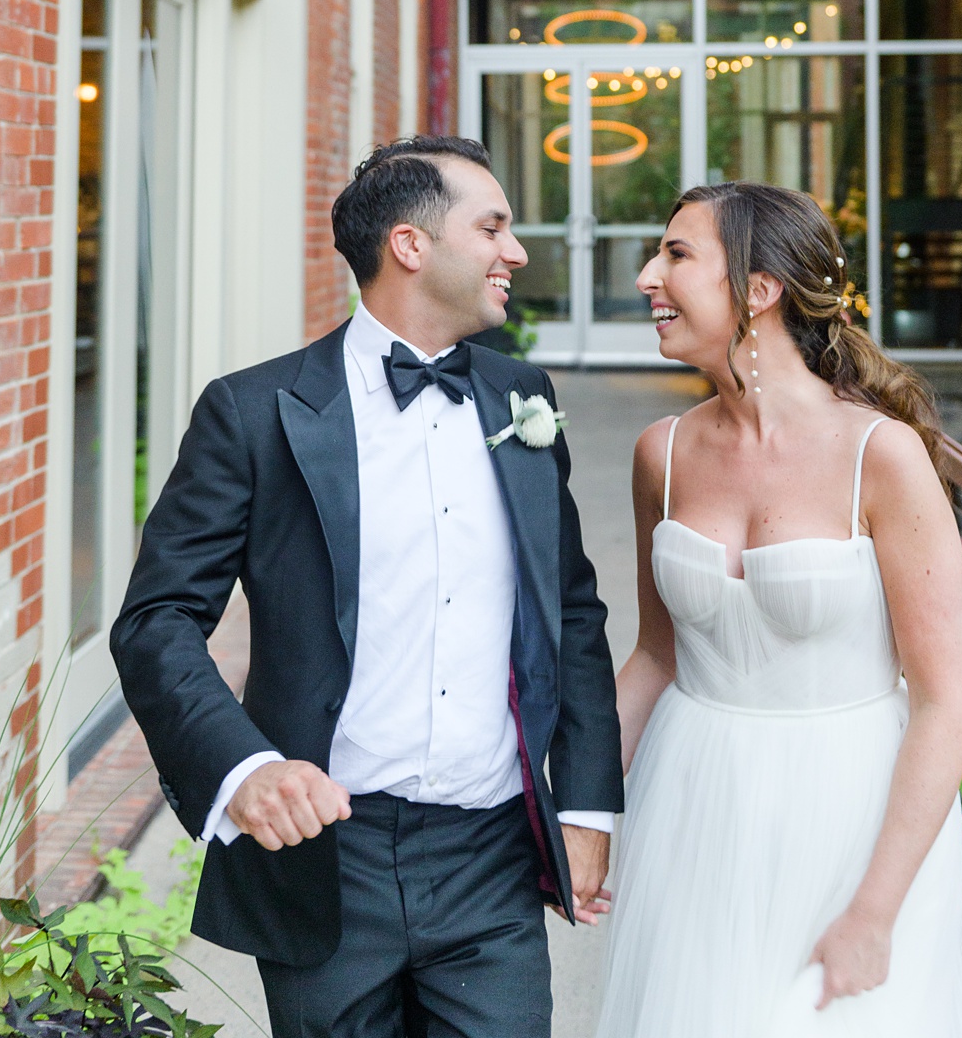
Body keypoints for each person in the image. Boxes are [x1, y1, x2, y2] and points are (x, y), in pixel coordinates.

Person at [113, 136, 623, 1037]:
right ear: (411, 245)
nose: (517, 252)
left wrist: (584, 803)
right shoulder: (253, 412)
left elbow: (570, 609)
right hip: (325, 857)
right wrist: (245, 769)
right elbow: (156, 620)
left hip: (493, 854)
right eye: (494, 226)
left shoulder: (521, 397)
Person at [594, 181, 962, 1033]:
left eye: (678, 255)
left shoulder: (882, 457)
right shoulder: (662, 454)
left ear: (759, 291)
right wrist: (577, 812)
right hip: (695, 808)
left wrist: (875, 912)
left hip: (850, 821)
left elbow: (947, 703)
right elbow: (657, 658)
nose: (649, 275)